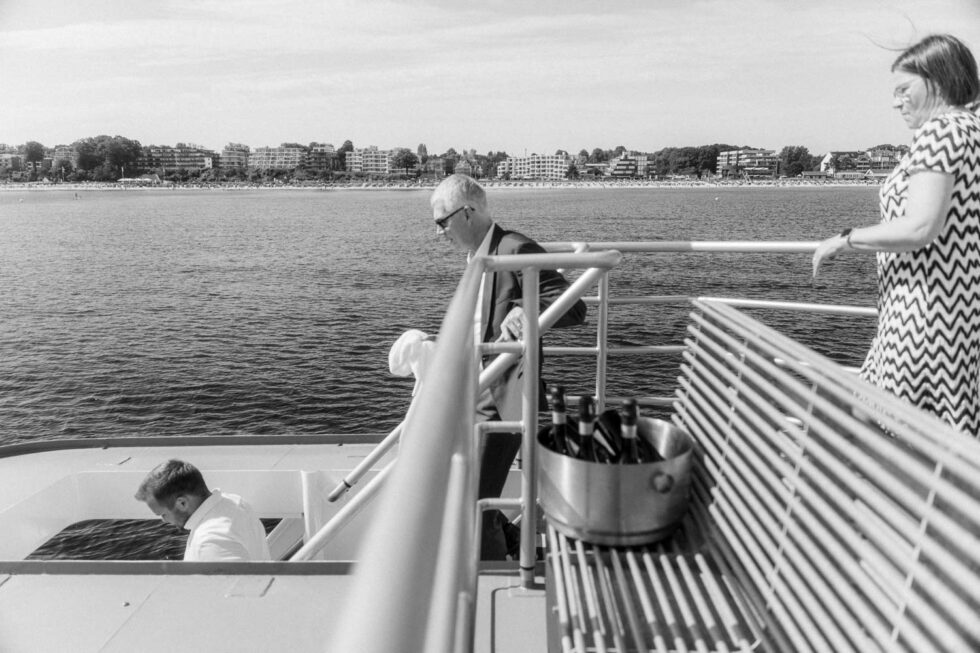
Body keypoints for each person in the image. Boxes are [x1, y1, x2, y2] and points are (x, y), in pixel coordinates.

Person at [812, 34, 980, 435]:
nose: (896, 101)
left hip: (923, 315)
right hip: (957, 311)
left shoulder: (940, 131)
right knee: (935, 431)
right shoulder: (971, 129)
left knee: (886, 430)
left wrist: (845, 238)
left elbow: (920, 227)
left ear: (938, 81)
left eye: (904, 89)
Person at [430, 174, 587, 559]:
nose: (439, 233)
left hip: (501, 397)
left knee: (474, 498)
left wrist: (525, 310)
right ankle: (511, 542)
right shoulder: (479, 256)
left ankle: (491, 570)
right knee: (458, 484)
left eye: (442, 222)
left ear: (467, 213)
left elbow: (574, 305)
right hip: (474, 387)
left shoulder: (514, 248)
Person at [135, 459, 272, 561]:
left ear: (182, 503)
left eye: (163, 514)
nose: (164, 520)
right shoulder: (234, 501)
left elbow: (235, 590)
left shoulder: (211, 542)